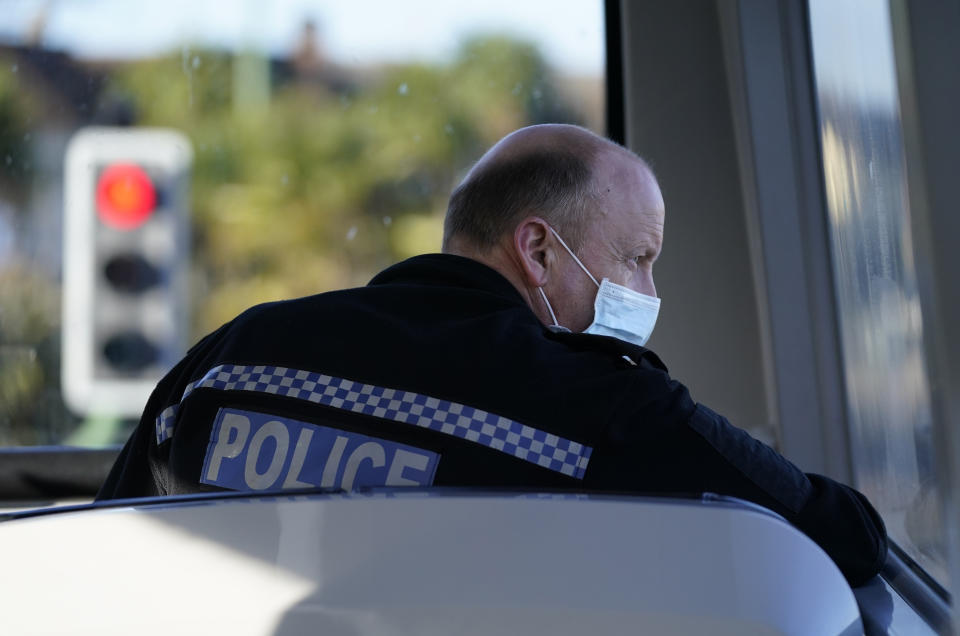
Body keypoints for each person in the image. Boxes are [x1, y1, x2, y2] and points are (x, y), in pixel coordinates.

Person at [97, 124, 887, 586]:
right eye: (638, 257)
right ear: (538, 250)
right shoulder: (601, 409)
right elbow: (842, 535)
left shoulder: (228, 359)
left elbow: (109, 560)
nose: (648, 288)